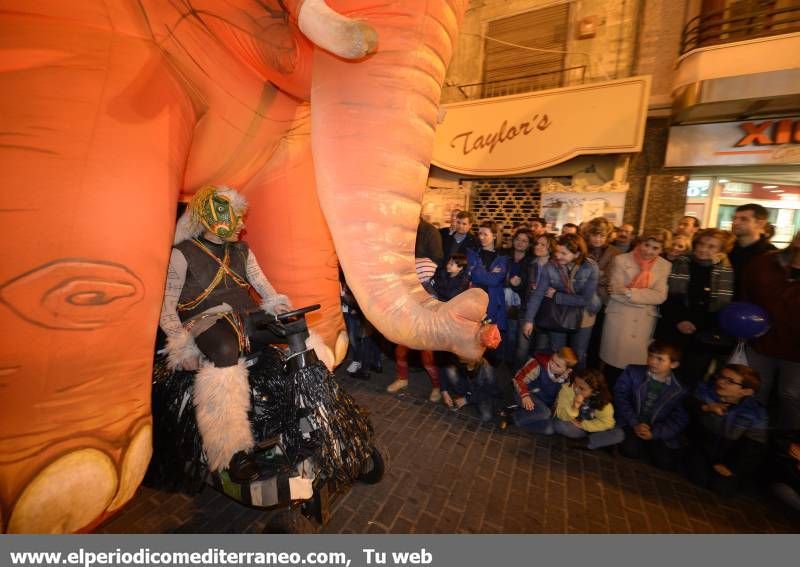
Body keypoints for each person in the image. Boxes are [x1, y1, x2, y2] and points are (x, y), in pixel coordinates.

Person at [160, 185, 295, 482]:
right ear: (214, 218)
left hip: (245, 316)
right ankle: (232, 451)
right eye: (236, 218)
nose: (243, 225)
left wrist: (282, 308)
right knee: (224, 348)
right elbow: (167, 305)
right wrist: (181, 346)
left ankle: (305, 417)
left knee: (296, 331)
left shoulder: (242, 251)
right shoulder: (182, 254)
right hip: (204, 320)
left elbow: (263, 286)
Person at [656, 228, 735, 388]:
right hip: (673, 329)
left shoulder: (725, 270)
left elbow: (721, 307)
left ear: (721, 250)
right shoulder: (680, 262)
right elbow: (668, 297)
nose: (703, 249)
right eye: (701, 243)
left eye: (712, 246)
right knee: (663, 376)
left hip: (703, 335)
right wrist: (679, 320)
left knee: (690, 379)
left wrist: (696, 324)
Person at [742, 229, 800, 429]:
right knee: (755, 389)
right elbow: (745, 293)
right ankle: (751, 437)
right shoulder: (765, 263)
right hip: (761, 341)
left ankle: (788, 443)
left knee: (790, 395)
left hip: (795, 349)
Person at [600, 229, 671, 385]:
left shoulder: (665, 266)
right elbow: (614, 292)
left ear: (662, 250)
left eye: (655, 248)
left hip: (643, 324)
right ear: (640, 242)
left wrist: (628, 292)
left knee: (636, 370)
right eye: (646, 245)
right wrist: (645, 296)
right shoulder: (620, 260)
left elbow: (660, 296)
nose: (649, 251)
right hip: (619, 319)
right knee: (613, 369)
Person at [688, 364, 768, 497]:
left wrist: (732, 467)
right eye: (721, 377)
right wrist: (706, 408)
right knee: (698, 478)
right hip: (702, 447)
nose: (720, 382)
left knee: (723, 488)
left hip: (728, 455)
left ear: (746, 391)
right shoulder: (706, 391)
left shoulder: (756, 413)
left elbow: (754, 446)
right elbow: (687, 404)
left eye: (729, 381)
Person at [522, 234, 599, 369]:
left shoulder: (590, 267)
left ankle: (575, 385)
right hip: (557, 314)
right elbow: (538, 294)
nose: (558, 255)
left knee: (578, 355)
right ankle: (557, 385)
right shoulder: (550, 266)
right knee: (557, 352)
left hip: (584, 315)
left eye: (564, 253)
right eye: (557, 251)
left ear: (577, 254)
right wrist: (529, 320)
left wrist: (557, 296)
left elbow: (585, 300)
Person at [613, 340, 688, 471]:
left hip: (656, 428)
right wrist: (635, 422)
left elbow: (679, 419)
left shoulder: (679, 389)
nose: (653, 361)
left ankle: (646, 444)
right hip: (631, 422)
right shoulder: (633, 372)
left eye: (660, 359)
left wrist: (654, 433)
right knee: (629, 451)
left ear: (674, 364)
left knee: (665, 463)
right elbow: (620, 397)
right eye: (651, 356)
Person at [582, 217, 621, 368]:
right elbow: (576, 274)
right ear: (588, 234)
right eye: (595, 235)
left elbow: (611, 278)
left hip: (603, 301)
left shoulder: (614, 252)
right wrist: (600, 274)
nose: (598, 239)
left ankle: (592, 372)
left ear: (608, 236)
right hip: (581, 299)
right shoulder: (583, 248)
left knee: (596, 339)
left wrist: (589, 276)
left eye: (602, 235)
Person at [552, 369, 624, 450]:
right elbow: (561, 414)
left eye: (582, 388)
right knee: (559, 424)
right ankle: (591, 442)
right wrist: (574, 407)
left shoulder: (603, 401)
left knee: (619, 434)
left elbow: (608, 423)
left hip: (592, 428)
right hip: (575, 428)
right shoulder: (567, 389)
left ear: (594, 391)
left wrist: (583, 425)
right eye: (575, 383)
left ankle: (580, 443)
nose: (576, 389)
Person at [512, 347, 577, 435]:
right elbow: (518, 378)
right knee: (545, 413)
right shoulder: (538, 364)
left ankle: (521, 419)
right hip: (525, 394)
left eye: (558, 365)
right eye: (552, 360)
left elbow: (560, 400)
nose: (552, 364)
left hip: (542, 404)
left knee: (549, 430)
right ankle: (513, 417)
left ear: (568, 370)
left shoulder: (568, 380)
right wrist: (525, 395)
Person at [467, 221, 510, 334]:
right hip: (474, 302)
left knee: (489, 342)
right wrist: (489, 273)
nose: (481, 237)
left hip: (492, 305)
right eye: (479, 233)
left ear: (494, 236)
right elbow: (474, 276)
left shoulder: (502, 257)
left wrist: (479, 270)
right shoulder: (473, 253)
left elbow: (494, 280)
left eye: (485, 234)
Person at [729, 203, 776, 299]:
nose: (735, 223)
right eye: (734, 218)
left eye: (743, 219)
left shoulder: (771, 255)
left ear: (760, 223)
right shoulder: (726, 249)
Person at [500, 228, 532, 366]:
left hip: (523, 303)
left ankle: (518, 368)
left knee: (521, 339)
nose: (520, 243)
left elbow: (530, 284)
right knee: (510, 334)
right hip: (505, 301)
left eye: (524, 241)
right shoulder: (505, 256)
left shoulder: (531, 261)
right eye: (518, 239)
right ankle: (508, 363)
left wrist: (519, 284)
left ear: (529, 244)